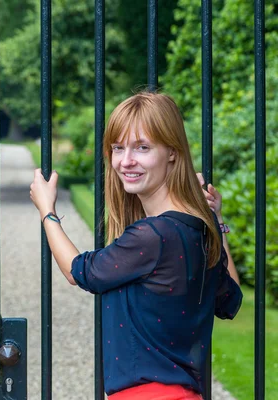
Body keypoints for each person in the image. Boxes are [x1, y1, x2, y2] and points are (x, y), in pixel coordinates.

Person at [30, 92, 242, 399]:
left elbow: (80, 272)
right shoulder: (195, 230)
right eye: (118, 148)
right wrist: (216, 222)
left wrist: (47, 210)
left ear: (172, 151)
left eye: (142, 147)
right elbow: (231, 299)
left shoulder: (154, 235)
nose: (125, 161)